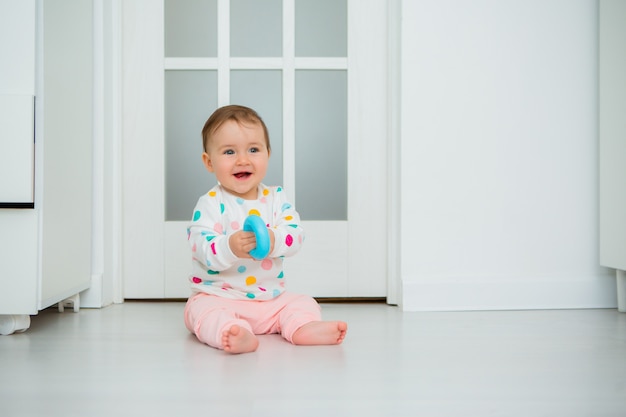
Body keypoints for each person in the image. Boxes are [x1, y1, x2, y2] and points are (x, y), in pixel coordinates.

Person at [184, 104, 348, 354]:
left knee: (303, 302)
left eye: (253, 149)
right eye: (229, 151)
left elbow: (296, 235)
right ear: (209, 162)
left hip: (269, 300)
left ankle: (302, 326)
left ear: (268, 154)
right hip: (220, 297)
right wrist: (230, 246)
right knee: (200, 312)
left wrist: (274, 238)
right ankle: (232, 331)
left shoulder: (276, 199)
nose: (243, 159)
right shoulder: (210, 204)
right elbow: (201, 247)